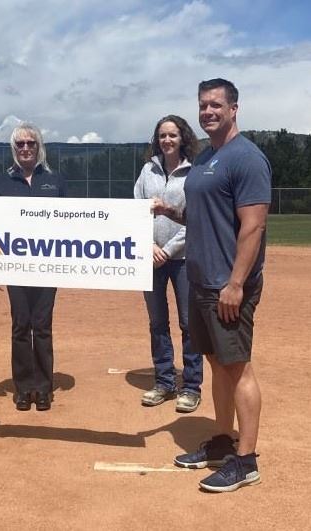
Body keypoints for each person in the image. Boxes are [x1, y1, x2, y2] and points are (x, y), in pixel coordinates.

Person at [153, 79, 271, 492]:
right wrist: (171, 210)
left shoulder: (246, 157)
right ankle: (223, 441)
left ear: (234, 108)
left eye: (216, 105)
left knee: (238, 368)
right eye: (203, 106)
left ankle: (247, 460)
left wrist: (236, 283)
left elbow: (253, 225)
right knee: (218, 365)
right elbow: (204, 217)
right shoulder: (206, 159)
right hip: (201, 281)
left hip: (228, 285)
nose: (208, 112)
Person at [0, 123, 67, 412]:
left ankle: (44, 387)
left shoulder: (55, 180)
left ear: (39, 147)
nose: (25, 148)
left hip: (47, 266)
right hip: (15, 266)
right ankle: (24, 388)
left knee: (43, 325)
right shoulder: (1, 182)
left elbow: (68, 224)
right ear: (14, 148)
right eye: (20, 144)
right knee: (21, 325)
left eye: (31, 143)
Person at [134, 115, 203, 413]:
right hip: (149, 257)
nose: (167, 140)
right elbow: (135, 211)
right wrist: (148, 246)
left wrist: (169, 248)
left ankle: (191, 386)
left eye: (172, 135)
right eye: (162, 135)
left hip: (183, 258)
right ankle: (164, 381)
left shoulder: (194, 171)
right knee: (157, 322)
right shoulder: (148, 170)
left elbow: (196, 217)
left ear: (182, 137)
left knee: (189, 323)